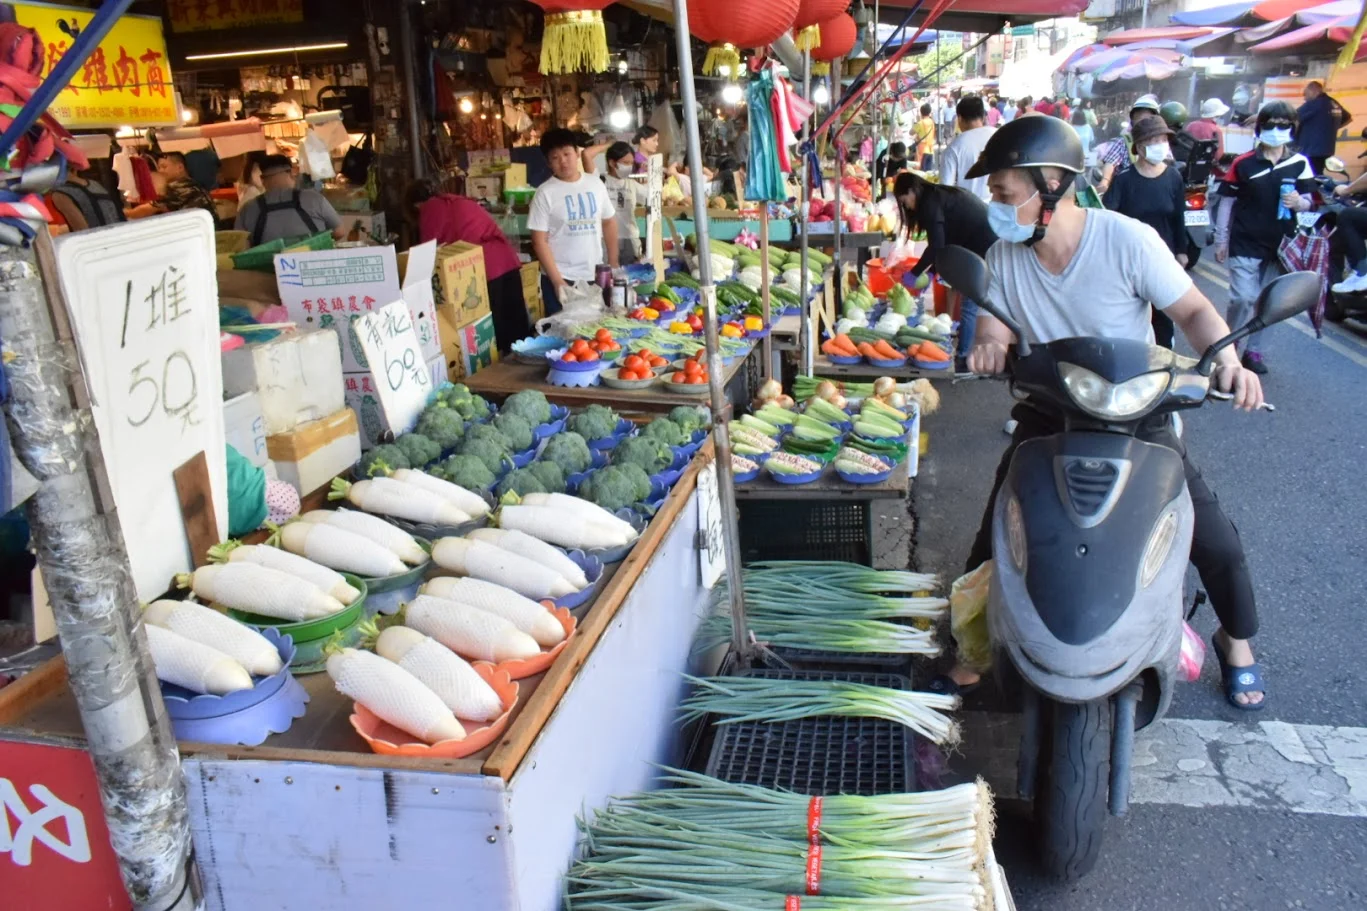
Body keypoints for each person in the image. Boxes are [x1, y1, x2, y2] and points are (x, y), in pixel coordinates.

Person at [932, 115, 1268, 709]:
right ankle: (976, 649)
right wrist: (987, 343)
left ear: (1050, 185)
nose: (996, 205)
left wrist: (1227, 359)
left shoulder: (1125, 239)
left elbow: (1192, 311)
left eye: (1005, 193)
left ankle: (1236, 641)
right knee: (995, 535)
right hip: (1051, 412)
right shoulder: (1007, 257)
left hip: (1138, 412)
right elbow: (992, 319)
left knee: (1215, 542)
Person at [1214, 100, 1315, 375]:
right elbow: (1226, 203)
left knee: (1270, 302)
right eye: (1271, 125)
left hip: (1282, 245)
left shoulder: (1299, 164)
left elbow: (1309, 201)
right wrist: (1221, 239)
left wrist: (1299, 203)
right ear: (1260, 128)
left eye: (1283, 126)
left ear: (1292, 129)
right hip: (1245, 240)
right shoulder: (1243, 163)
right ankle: (1229, 347)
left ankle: (1254, 351)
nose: (1277, 130)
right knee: (1243, 298)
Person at [405, 180, 530, 351]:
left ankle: (502, 374)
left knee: (495, 333)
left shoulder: (431, 207)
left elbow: (427, 252)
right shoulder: (456, 201)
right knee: (516, 329)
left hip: (484, 268)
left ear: (415, 204)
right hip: (506, 261)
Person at [893, 171, 997, 371]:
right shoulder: (936, 196)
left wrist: (916, 273)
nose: (905, 205)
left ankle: (965, 359)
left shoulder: (930, 204)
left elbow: (936, 246)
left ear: (912, 190)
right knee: (972, 301)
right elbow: (941, 241)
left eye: (904, 200)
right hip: (978, 241)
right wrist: (932, 270)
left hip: (984, 244)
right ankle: (967, 352)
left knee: (970, 303)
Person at [1104, 115, 1188, 348]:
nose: (1161, 146)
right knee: (1131, 313)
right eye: (1155, 141)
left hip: (1164, 257)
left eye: (1164, 140)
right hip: (1128, 259)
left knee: (1163, 314)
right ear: (1140, 147)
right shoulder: (1123, 181)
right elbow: (1109, 218)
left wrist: (1182, 251)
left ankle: (1163, 358)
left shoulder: (1173, 177)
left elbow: (1178, 217)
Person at [528, 128, 619, 315]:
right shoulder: (544, 193)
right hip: (561, 277)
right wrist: (557, 282)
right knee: (563, 336)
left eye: (566, 154)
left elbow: (609, 222)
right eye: (555, 157)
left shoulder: (595, 184)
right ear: (548, 162)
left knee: (597, 333)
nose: (563, 161)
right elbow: (539, 241)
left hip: (594, 275)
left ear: (577, 153)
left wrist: (613, 262)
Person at [233, 154, 343, 246]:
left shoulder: (248, 209)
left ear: (262, 179)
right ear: (291, 173)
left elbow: (240, 246)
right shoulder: (314, 198)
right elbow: (339, 232)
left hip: (267, 271)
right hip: (310, 268)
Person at [582, 139, 642, 265]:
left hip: (630, 240)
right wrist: (609, 144)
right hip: (606, 241)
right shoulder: (599, 181)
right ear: (612, 163)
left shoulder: (632, 184)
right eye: (625, 163)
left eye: (631, 163)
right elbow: (586, 154)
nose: (629, 167)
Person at [1094, 94, 1161, 195]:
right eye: (1139, 118)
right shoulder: (1124, 142)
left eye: (1148, 119)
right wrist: (1105, 180)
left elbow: (1168, 165)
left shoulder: (1161, 143)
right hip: (1128, 193)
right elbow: (1111, 162)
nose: (1143, 123)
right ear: (1133, 121)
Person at [939, 95, 995, 202]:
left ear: (959, 118)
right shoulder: (1000, 135)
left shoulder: (954, 147)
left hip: (969, 209)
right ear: (983, 117)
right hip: (1000, 208)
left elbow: (945, 188)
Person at [126, 152, 214, 218]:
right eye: (159, 168)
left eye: (164, 167)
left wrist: (124, 213)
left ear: (180, 168)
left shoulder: (177, 188)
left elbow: (145, 210)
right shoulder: (191, 183)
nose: (160, 171)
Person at [1297, 80, 1346, 174]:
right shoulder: (1333, 103)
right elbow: (1347, 118)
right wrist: (1330, 128)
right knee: (1318, 174)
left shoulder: (1314, 104)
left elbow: (1293, 116)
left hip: (1311, 149)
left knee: (1309, 175)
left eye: (1306, 94)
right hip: (1327, 149)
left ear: (1315, 92)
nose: (1305, 98)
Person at [49, 171, 125, 231]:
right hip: (120, 236)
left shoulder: (61, 194)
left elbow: (82, 232)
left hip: (99, 243)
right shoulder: (95, 184)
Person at [915, 103, 936, 170]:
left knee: (922, 171)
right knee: (928, 171)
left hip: (922, 150)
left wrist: (917, 120)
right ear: (929, 112)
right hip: (930, 149)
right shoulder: (932, 122)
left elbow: (910, 132)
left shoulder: (920, 123)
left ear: (921, 112)